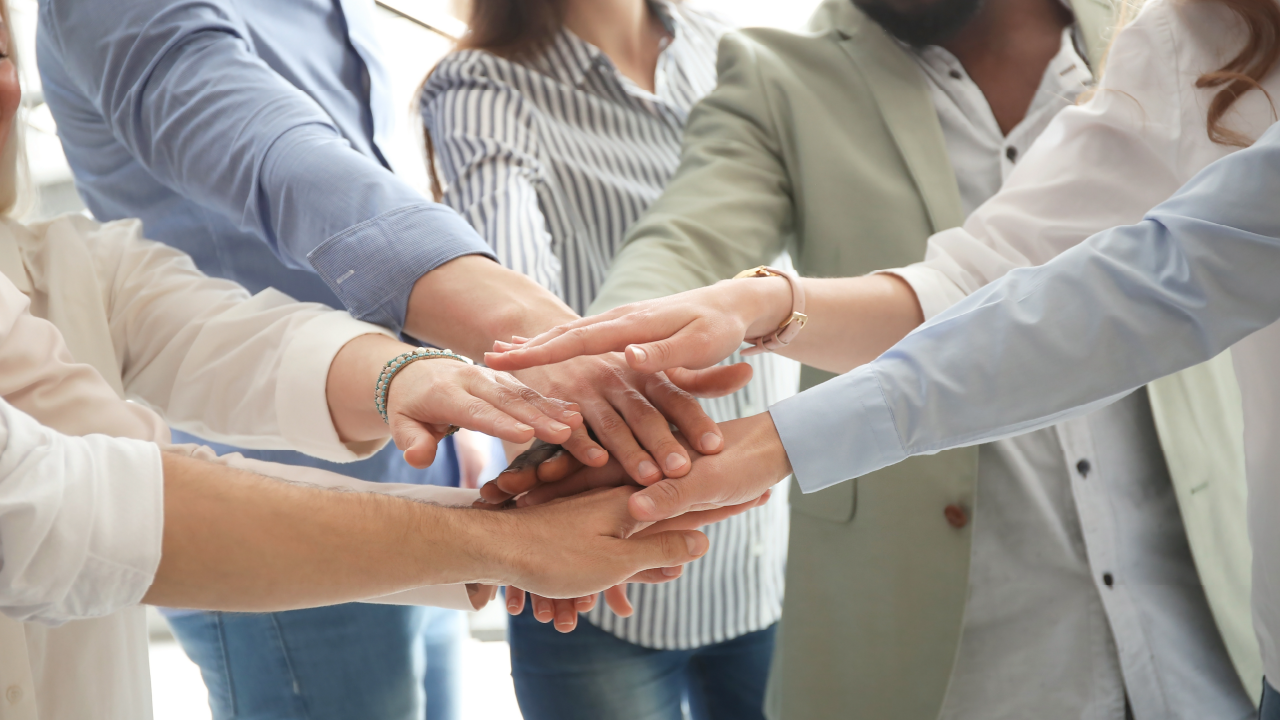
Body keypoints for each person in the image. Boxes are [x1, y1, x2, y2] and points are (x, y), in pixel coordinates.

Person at [486, 0, 1271, 717]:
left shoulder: (1146, 31)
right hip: (948, 648)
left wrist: (777, 432)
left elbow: (1160, 282)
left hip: (1206, 621)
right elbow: (690, 240)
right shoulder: (779, 72)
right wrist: (621, 372)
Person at [34, 0, 740, 715]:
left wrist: (433, 383)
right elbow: (279, 159)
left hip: (419, 457)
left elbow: (364, 180)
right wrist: (529, 338)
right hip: (260, 502)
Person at [419, 1, 792, 717]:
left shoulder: (727, 47)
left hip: (762, 549)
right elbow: (510, 303)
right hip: (596, 563)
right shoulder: (484, 87)